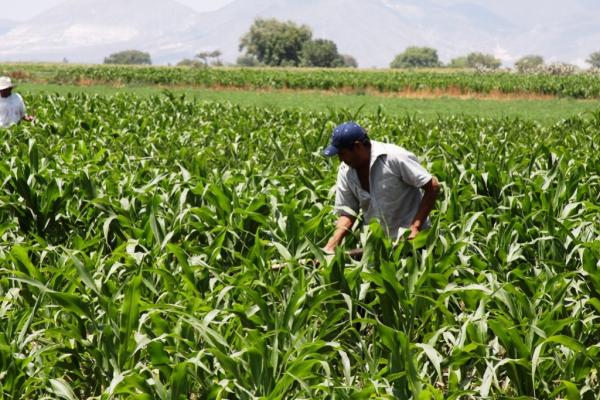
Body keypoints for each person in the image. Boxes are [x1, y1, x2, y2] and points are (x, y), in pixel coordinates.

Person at [322, 121, 439, 253]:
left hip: (414, 244)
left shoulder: (394, 158)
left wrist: (415, 227)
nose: (340, 159)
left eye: (342, 154)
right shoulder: (345, 170)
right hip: (379, 248)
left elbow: (433, 186)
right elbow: (347, 213)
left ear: (357, 146)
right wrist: (331, 245)